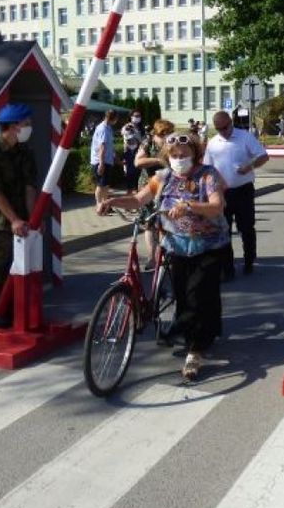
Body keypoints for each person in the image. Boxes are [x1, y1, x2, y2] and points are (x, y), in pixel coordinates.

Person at [98, 131, 229, 381]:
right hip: (177, 247)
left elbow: (217, 206)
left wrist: (190, 206)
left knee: (197, 294)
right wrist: (112, 201)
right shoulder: (163, 178)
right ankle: (193, 330)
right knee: (184, 295)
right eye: (175, 155)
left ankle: (194, 351)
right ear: (167, 157)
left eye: (184, 154)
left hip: (209, 246)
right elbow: (138, 199)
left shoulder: (207, 175)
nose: (179, 159)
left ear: (195, 154)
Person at [0, 103, 38, 330]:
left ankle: (12, 319)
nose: (30, 128)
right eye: (26, 124)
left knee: (19, 276)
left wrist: (32, 219)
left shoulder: (25, 152)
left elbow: (30, 186)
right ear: (13, 126)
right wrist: (13, 220)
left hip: (21, 226)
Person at [204, 109, 269, 277]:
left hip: (243, 191)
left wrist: (249, 166)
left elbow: (263, 156)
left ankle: (249, 261)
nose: (223, 132)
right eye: (219, 129)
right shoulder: (213, 143)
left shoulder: (244, 137)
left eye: (225, 128)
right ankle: (228, 268)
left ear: (231, 123)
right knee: (223, 231)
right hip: (222, 193)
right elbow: (207, 169)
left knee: (246, 228)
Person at [135, 118, 175, 257]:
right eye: (162, 135)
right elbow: (138, 162)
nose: (165, 138)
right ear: (157, 133)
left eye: (168, 134)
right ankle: (152, 257)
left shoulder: (173, 143)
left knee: (165, 221)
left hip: (168, 187)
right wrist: (158, 160)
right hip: (149, 186)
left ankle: (164, 255)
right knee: (149, 222)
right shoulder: (148, 142)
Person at [90, 109, 118, 213]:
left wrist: (115, 158)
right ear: (113, 118)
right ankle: (99, 205)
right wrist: (101, 164)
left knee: (105, 186)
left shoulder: (108, 128)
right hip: (101, 161)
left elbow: (109, 146)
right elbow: (102, 147)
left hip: (107, 161)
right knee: (101, 185)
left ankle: (105, 205)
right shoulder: (103, 129)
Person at [119, 111, 144, 193]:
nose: (138, 117)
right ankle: (129, 193)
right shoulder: (127, 127)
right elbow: (131, 141)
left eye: (139, 115)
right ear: (131, 117)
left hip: (139, 152)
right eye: (136, 116)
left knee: (138, 173)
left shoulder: (139, 127)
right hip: (130, 152)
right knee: (130, 174)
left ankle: (136, 192)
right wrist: (140, 140)